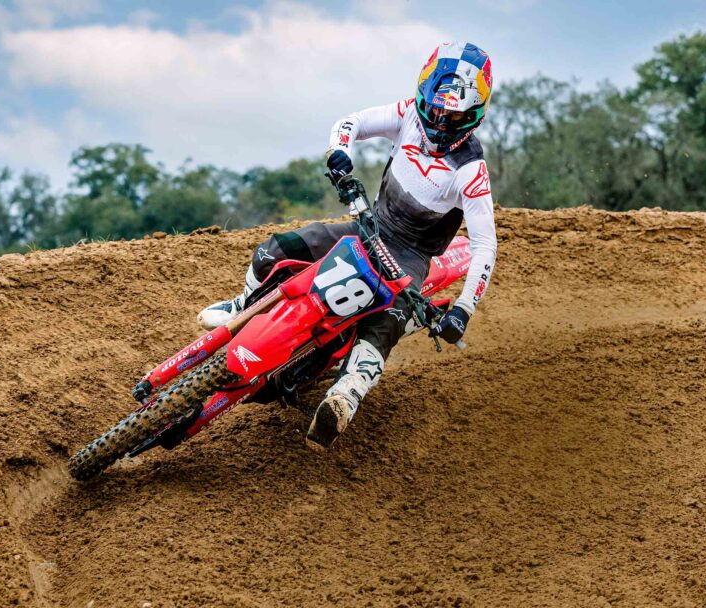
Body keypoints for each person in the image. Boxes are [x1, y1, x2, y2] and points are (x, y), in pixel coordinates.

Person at [197, 42, 499, 450]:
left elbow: (484, 244)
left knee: (389, 320)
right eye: (435, 110)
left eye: (455, 116)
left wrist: (462, 310)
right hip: (369, 227)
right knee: (276, 250)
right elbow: (350, 122)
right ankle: (242, 305)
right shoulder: (409, 114)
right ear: (423, 97)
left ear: (475, 114)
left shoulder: (471, 171)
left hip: (410, 256)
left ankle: (345, 396)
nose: (441, 123)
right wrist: (339, 151)